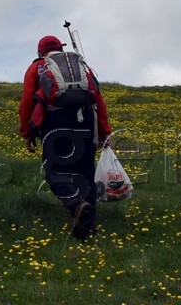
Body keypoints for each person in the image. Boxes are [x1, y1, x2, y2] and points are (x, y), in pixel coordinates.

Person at [18, 35, 112, 240]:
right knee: (86, 172)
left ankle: (77, 205)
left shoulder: (38, 68)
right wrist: (105, 131)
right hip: (86, 120)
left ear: (40, 52)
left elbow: (27, 101)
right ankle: (89, 228)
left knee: (55, 171)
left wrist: (27, 132)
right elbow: (98, 98)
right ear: (61, 49)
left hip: (55, 121)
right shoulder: (80, 66)